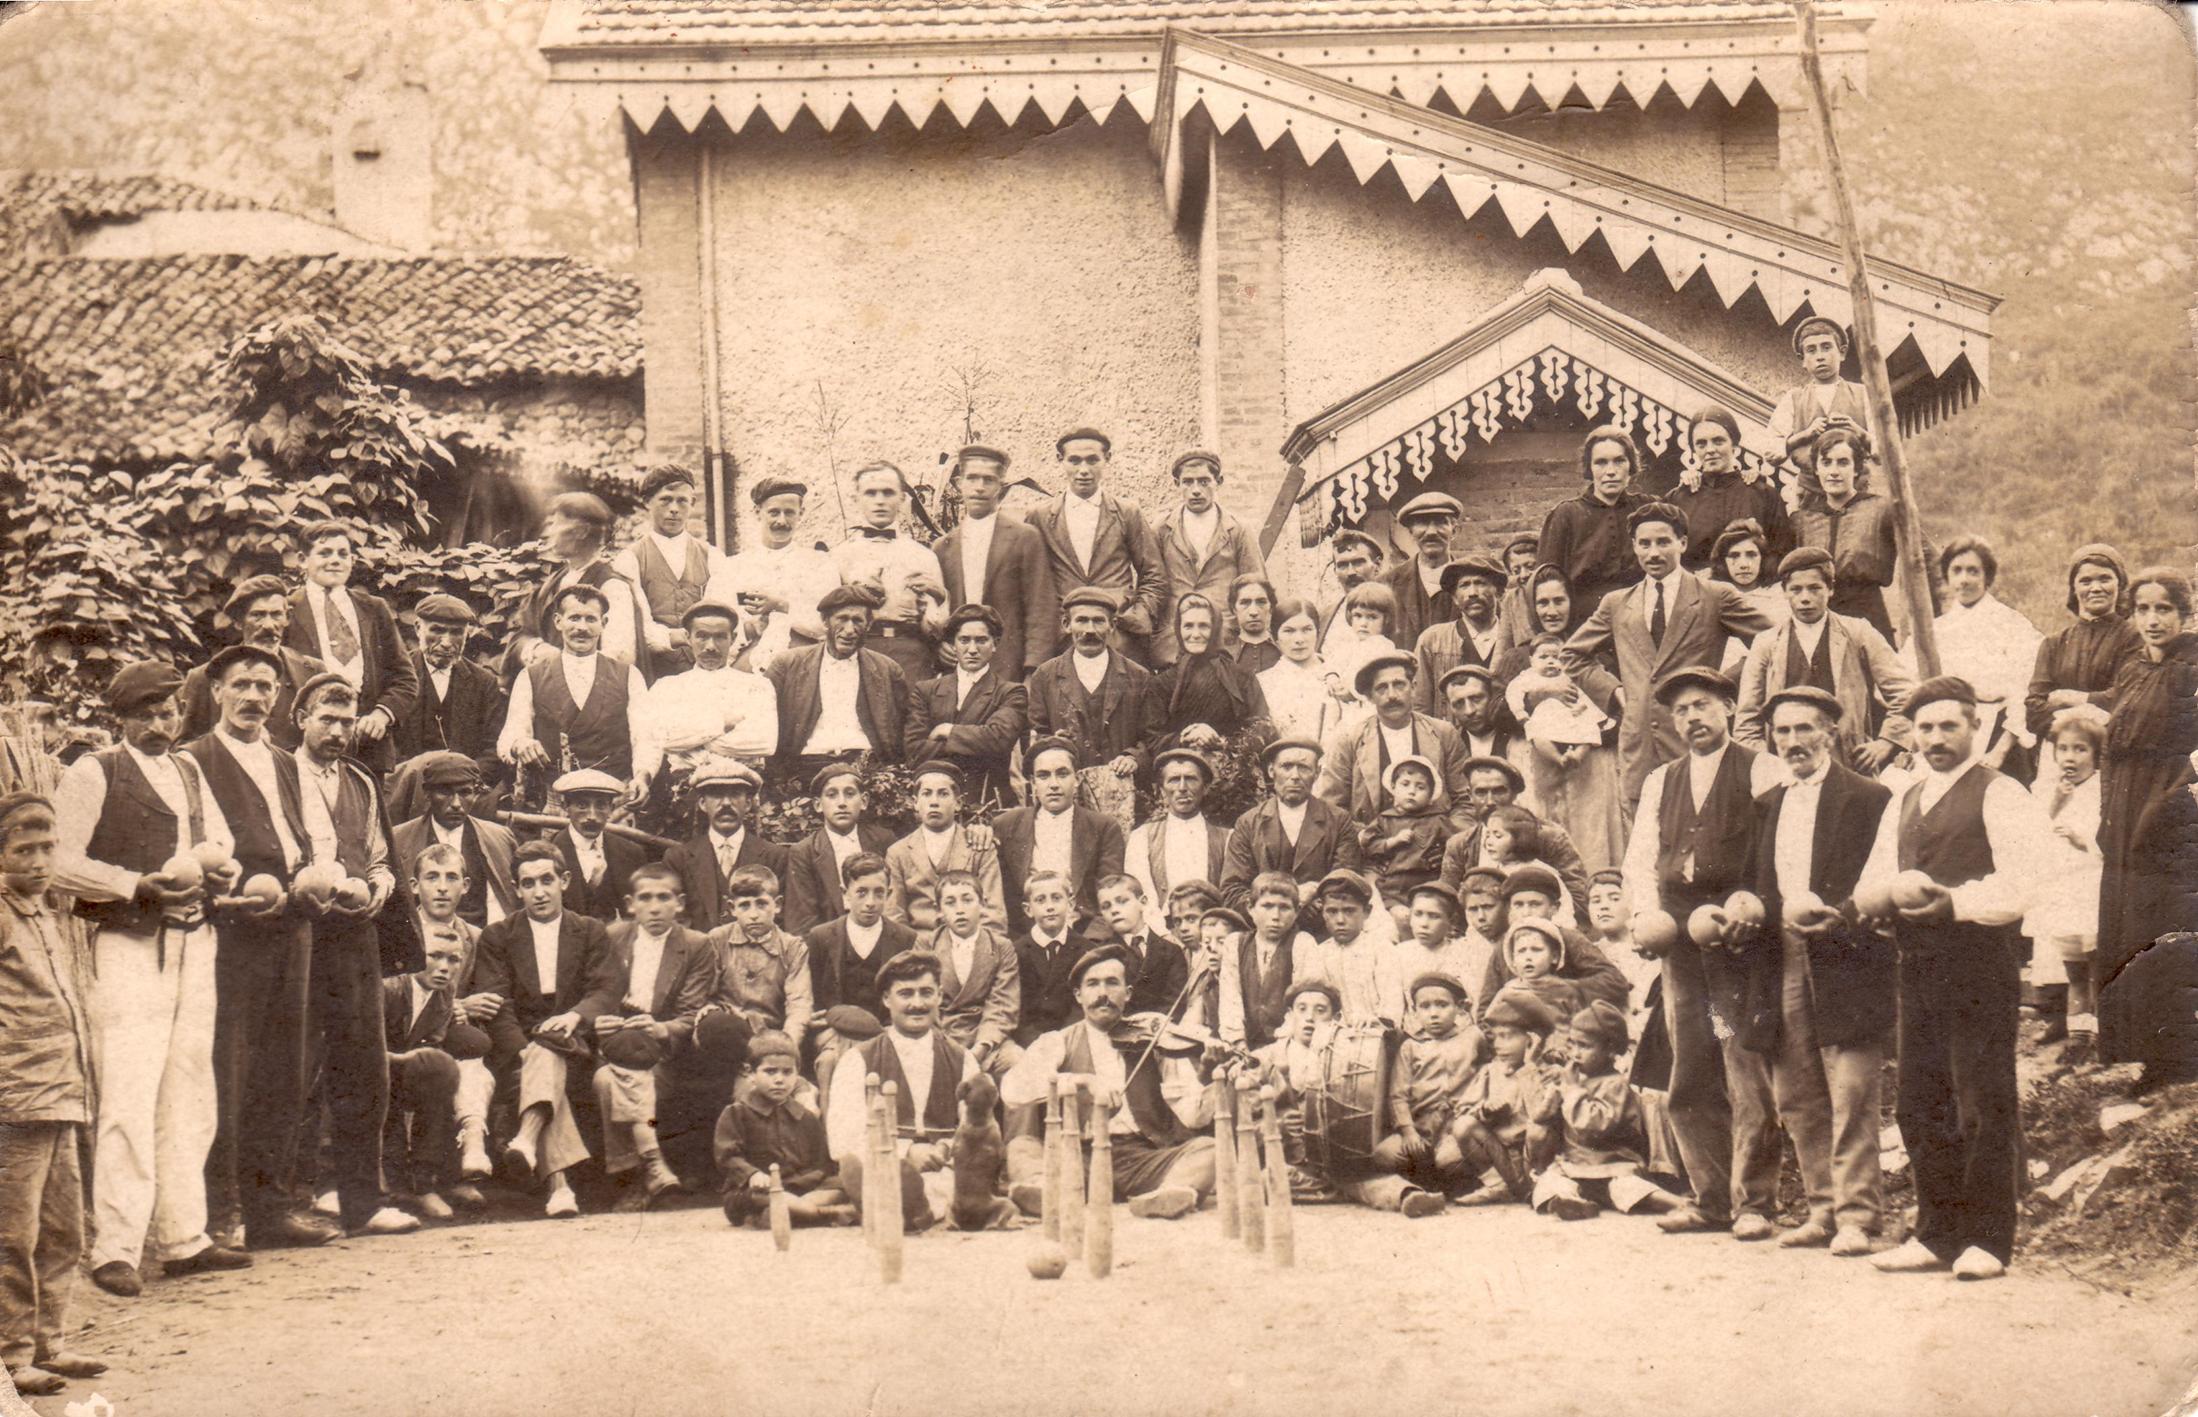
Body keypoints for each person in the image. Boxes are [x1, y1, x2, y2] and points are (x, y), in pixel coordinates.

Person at [51, 664, 246, 1296]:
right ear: (122, 718)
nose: (161, 725)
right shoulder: (95, 771)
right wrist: (133, 885)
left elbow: (219, 841)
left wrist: (224, 873)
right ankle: (116, 1247)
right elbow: (58, 863)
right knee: (130, 1093)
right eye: (147, 714)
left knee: (191, 1092)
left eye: (169, 713)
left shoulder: (189, 768)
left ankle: (184, 1236)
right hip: (131, 947)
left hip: (197, 944)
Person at [1854, 677, 2053, 1280]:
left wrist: (1953, 903)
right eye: (1925, 728)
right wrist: (1878, 904)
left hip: (1980, 964)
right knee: (1920, 1099)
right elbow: (1874, 877)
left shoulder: (2002, 792)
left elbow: (2024, 883)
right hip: (1918, 966)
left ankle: (1988, 1240)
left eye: (1948, 726)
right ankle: (1936, 1231)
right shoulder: (1904, 798)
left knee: (1982, 1099)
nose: (1936, 738)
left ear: (1976, 728)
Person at [187, 645, 345, 1253]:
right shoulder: (192, 761)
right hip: (232, 929)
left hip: (293, 925)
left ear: (278, 697)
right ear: (218, 691)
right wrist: (233, 891)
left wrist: (317, 876)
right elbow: (191, 845)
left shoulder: (287, 762)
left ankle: (270, 1205)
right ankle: (219, 1213)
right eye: (242, 685)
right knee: (229, 1066)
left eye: (265, 687)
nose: (254, 697)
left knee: (286, 1065)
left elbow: (320, 837)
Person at [1618, 666, 1783, 1240]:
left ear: (1729, 709)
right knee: (1690, 1065)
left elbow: (1777, 850)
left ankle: (1755, 1200)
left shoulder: (1761, 768)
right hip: (1680, 942)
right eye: (1682, 710)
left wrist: (1756, 909)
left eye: (1703, 706)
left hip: (1738, 940)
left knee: (1744, 1067)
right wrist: (1643, 916)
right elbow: (1640, 858)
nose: (1693, 718)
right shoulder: (1664, 779)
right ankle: (1709, 1197)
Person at [1737, 685, 1895, 1256]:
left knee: (1852, 1090)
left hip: (1848, 952)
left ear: (1832, 731)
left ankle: (1859, 1216)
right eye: (1783, 731)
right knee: (1797, 1088)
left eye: (1806, 728)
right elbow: (1758, 883)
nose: (1794, 741)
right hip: (1781, 952)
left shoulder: (1869, 798)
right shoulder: (1768, 803)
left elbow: (1883, 880)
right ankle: (1822, 1208)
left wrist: (1844, 919)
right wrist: (1746, 906)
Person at [291, 676, 418, 1239]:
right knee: (292, 1066)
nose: (339, 731)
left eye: (347, 721)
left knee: (364, 1064)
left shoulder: (361, 780)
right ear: (302, 718)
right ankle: (288, 1199)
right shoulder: (278, 773)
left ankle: (362, 1200)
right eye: (327, 718)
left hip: (353, 936)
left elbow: (380, 858)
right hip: (294, 932)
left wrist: (379, 886)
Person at [1565, 499, 1773, 811]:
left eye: (1663, 542)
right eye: (1645, 544)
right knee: (1647, 845)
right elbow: (1573, 655)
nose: (1654, 553)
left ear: (1682, 543)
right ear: (1634, 546)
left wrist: (1718, 685)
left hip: (1698, 741)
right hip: (1640, 748)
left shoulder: (1715, 596)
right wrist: (1617, 694)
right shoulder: (1617, 603)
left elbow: (1773, 643)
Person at [0, 793, 107, 1395]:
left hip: (64, 1091)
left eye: (48, 848)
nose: (40, 861)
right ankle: (12, 1354)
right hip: (15, 1098)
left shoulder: (48, 915)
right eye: (24, 850)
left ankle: (50, 1339)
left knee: (63, 1227)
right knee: (12, 1233)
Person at [1000, 944, 1216, 1218]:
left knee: (1207, 1149)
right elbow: (1013, 1089)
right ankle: (1046, 1191)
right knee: (1022, 1147)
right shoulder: (1058, 1041)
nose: (1103, 993)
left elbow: (1193, 1115)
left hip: (1142, 1158)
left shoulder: (1153, 1041)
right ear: (1079, 995)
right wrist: (1082, 1081)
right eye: (1092, 984)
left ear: (1127, 994)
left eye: (1112, 983)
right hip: (1079, 1156)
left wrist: (1211, 1076)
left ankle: (1168, 1194)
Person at [472, 841, 622, 1218]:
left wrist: (575, 1017)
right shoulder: (498, 936)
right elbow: (496, 1003)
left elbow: (606, 989)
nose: (538, 892)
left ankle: (528, 1140)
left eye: (546, 880)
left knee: (551, 1054)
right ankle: (560, 1187)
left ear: (564, 881)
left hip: (578, 1046)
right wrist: (527, 1052)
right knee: (545, 1062)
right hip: (519, 1051)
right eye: (528, 883)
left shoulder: (589, 931)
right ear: (517, 888)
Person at [2094, 567, 2198, 1091]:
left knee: (2166, 929)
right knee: (2127, 930)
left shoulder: (2194, 669)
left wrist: (2169, 809)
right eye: (2143, 610)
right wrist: (2107, 812)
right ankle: (2141, 1053)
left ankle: (2178, 1060)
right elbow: (2114, 745)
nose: (2153, 620)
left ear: (2185, 613)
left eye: (2164, 609)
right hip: (2126, 811)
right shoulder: (2132, 667)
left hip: (2174, 816)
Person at [1245, 981, 1446, 1218]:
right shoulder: (1266, 1059)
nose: (1310, 1018)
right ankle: (1344, 1190)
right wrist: (1276, 1127)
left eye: (1321, 1011)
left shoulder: (1348, 1053)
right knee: (1266, 1178)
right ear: (1289, 1016)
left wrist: (1378, 1025)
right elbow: (1245, 1122)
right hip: (1293, 1160)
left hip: (1337, 1156)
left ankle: (1409, 1196)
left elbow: (1394, 1049)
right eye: (1302, 1009)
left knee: (1353, 1175)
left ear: (1335, 1017)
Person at [825, 950, 987, 1231]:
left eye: (926, 993)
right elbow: (842, 1139)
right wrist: (906, 1152)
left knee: (953, 1184)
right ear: (887, 999)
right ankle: (904, 1205)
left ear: (939, 996)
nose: (917, 1004)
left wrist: (945, 1149)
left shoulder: (963, 1059)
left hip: (944, 1168)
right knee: (859, 1166)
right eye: (906, 993)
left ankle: (910, 1210)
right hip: (886, 1162)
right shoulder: (858, 1060)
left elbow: (976, 1129)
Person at [590, 863, 717, 1212]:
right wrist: (600, 1022)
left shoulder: (695, 945)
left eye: (664, 898)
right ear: (630, 904)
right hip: (617, 1044)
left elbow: (691, 1013)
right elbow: (597, 993)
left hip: (664, 1052)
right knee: (608, 1076)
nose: (655, 907)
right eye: (645, 898)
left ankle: (639, 1176)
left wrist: (661, 1029)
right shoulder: (612, 937)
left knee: (611, 1081)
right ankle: (648, 1170)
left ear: (680, 903)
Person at [1734, 547, 1916, 774]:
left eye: (1814, 588)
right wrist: (1766, 763)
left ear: (1830, 589)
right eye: (1796, 590)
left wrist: (1887, 742)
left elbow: (1906, 693)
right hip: (1786, 769)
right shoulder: (1767, 643)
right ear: (1784, 592)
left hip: (1848, 767)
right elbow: (1747, 719)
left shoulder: (1858, 632)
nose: (1805, 598)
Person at [283, 522, 418, 774]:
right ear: (302, 559)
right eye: (325, 553)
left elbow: (405, 677)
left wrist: (382, 715)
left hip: (367, 749)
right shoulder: (287, 609)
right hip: (303, 747)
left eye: (342, 554)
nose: (335, 560)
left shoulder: (374, 609)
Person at [1528, 1001, 1682, 1222]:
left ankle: (1675, 1203)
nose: (1575, 1054)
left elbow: (1594, 1125)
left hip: (1614, 1166)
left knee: (1627, 1188)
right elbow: (1539, 1118)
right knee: (1550, 1183)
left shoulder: (1615, 1084)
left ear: (1610, 1051)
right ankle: (1572, 1203)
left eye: (1585, 1046)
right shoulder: (1574, 1080)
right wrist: (1554, 1092)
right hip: (1574, 1167)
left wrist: (1571, 1090)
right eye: (1572, 1045)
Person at [404, 844, 500, 1194]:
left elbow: (488, 997)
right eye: (432, 877)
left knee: (472, 1064)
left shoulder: (476, 938)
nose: (442, 887)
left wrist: (468, 1004)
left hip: (455, 1038)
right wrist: (451, 1004)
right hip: (404, 1034)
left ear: (466, 886)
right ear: (415, 886)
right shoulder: (398, 932)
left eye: (451, 878)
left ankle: (463, 1167)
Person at [381, 921, 490, 1223]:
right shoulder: (389, 986)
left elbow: (435, 1041)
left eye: (453, 959)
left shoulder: (445, 993)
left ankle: (423, 1182)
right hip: (369, 1070)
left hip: (403, 1070)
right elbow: (358, 1046)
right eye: (435, 956)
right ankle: (388, 1184)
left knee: (443, 1076)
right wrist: (405, 1060)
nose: (444, 967)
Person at [1026, 428, 1166, 662]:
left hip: (1120, 637)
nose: (1083, 470)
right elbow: (1031, 581)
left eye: (1093, 460)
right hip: (1063, 639)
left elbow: (1154, 574)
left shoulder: (1127, 513)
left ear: (1107, 459)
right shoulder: (1039, 516)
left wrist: (1139, 615)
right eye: (1074, 461)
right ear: (1060, 461)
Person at [498, 583, 649, 796]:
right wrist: (519, 743)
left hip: (612, 797)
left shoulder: (629, 675)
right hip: (554, 797)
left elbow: (644, 736)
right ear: (558, 622)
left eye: (591, 619)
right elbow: (512, 731)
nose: (582, 628)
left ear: (604, 623)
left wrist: (642, 776)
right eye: (574, 618)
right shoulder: (531, 675)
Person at [934, 445, 1057, 677]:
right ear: (959, 483)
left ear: (1001, 485)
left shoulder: (1024, 537)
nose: (979, 487)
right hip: (959, 669)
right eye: (972, 478)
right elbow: (936, 611)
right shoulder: (943, 547)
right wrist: (940, 645)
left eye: (988, 480)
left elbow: (1041, 609)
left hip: (1009, 667)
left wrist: (1033, 672)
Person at [767, 583, 910, 781]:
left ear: (868, 625)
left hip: (865, 767)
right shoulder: (787, 665)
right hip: (805, 767)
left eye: (858, 621)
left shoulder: (888, 670)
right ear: (825, 621)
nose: (849, 629)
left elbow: (901, 731)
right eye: (842, 619)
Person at [1316, 652, 1473, 832]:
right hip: (1371, 851)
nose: (1392, 695)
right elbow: (1331, 808)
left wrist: (1447, 836)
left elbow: (1465, 801)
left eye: (1399, 685)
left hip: (1435, 850)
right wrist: (1368, 839)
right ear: (1369, 696)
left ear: (1413, 688)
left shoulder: (1443, 733)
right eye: (1381, 688)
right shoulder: (1349, 740)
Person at [632, 599, 780, 789]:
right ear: (688, 637)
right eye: (702, 636)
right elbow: (661, 740)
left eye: (720, 637)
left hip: (745, 789)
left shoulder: (757, 686)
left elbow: (764, 743)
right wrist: (721, 725)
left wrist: (694, 742)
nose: (710, 646)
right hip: (685, 790)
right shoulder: (667, 687)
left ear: (733, 638)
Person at [609, 464, 737, 679]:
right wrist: (672, 638)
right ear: (647, 502)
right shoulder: (629, 559)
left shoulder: (713, 557)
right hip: (653, 670)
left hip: (705, 669)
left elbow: (724, 614)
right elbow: (637, 626)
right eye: (666, 499)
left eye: (682, 501)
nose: (674, 508)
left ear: (693, 504)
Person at [2028, 708, 2105, 1057]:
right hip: (2059, 888)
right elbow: (2030, 833)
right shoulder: (2047, 788)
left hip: (2090, 886)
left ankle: (2101, 1033)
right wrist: (2056, 801)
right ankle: (2075, 1035)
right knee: (2068, 965)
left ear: (2095, 754)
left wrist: (2082, 839)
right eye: (2063, 749)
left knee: (2095, 965)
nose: (2070, 757)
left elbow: (2107, 835)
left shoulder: (2102, 789)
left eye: (2080, 749)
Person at [714, 1030, 851, 1228]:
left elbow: (820, 1163)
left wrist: (814, 1178)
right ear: (750, 1073)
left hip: (800, 1190)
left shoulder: (805, 1116)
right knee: (765, 1196)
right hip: (757, 1190)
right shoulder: (737, 1113)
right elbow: (727, 1157)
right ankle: (823, 1214)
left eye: (787, 1072)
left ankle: (790, 1213)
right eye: (770, 1071)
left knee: (840, 1185)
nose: (779, 1080)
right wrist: (752, 1174)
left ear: (797, 1074)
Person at [1026, 586, 1164, 781]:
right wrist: (1054, 745)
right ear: (1066, 624)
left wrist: (1133, 757)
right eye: (1081, 620)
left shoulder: (1138, 676)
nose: (1089, 630)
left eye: (1098, 621)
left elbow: (1152, 738)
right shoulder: (1045, 676)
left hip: (1122, 788)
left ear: (1113, 625)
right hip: (1069, 789)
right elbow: (1038, 735)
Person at [806, 852, 916, 1096]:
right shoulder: (821, 937)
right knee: (830, 1063)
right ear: (845, 894)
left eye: (879, 893)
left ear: (889, 895)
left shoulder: (904, 939)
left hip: (886, 1031)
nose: (870, 902)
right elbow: (812, 994)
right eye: (861, 892)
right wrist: (817, 1020)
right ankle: (830, 1131)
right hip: (835, 1032)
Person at [831, 461, 951, 685]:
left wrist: (936, 599)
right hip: (859, 653)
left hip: (911, 656)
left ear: (903, 499)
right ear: (856, 499)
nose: (880, 501)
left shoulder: (923, 556)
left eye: (888, 493)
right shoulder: (839, 556)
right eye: (871, 493)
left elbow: (936, 623)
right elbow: (828, 621)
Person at [994, 738, 1125, 940]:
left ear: (1077, 780)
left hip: (1085, 937)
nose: (1053, 784)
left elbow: (1110, 897)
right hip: (1025, 941)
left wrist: (1090, 944)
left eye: (1062, 774)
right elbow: (1001, 899)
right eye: (1044, 776)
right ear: (1033, 783)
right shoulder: (1006, 825)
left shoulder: (1103, 827)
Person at [1934, 536, 2044, 778]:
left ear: (1987, 577)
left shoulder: (2011, 623)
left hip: (2000, 735)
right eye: (1957, 571)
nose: (1964, 579)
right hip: (1947, 734)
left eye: (1973, 571)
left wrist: (2001, 750)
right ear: (1947, 576)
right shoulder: (1936, 629)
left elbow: (2026, 689)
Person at [1372, 973, 1486, 1205]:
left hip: (1457, 1126)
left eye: (1442, 1005)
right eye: (1425, 1007)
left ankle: (1446, 1180)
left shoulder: (1473, 1038)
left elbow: (1488, 1075)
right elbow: (1398, 1095)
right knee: (1383, 1154)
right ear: (1415, 1012)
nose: (1433, 1013)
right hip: (1422, 1127)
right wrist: (1408, 1131)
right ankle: (1426, 1184)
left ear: (1459, 1008)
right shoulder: (1411, 1046)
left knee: (1449, 1161)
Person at [179, 576, 326, 752]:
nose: (268, 625)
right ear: (238, 623)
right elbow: (183, 748)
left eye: (276, 614)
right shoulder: (203, 677)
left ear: (287, 618)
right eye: (258, 615)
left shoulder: (313, 671)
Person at [507, 491, 645, 678]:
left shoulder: (612, 586)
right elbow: (521, 633)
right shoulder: (554, 581)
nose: (547, 533)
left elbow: (620, 659)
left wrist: (563, 663)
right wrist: (539, 650)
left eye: (554, 524)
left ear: (582, 531)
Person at [905, 604, 1029, 808]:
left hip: (987, 801)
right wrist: (974, 744)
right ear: (953, 644)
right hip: (937, 803)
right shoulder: (926, 691)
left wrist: (948, 730)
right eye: (964, 640)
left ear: (995, 644)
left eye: (981, 640)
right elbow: (914, 751)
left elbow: (998, 739)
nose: (972, 649)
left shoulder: (1010, 692)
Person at [1152, 451, 1267, 665]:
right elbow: (1150, 584)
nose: (1196, 490)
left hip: (1224, 642)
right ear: (1177, 483)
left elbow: (1255, 587)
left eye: (1204, 481)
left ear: (1218, 482)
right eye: (1188, 482)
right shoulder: (1161, 529)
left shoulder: (1238, 530)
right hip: (1173, 643)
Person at [1220, 739, 1361, 913]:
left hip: (1320, 929)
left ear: (1317, 773)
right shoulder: (1248, 823)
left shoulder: (1339, 820)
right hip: (1263, 929)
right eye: (1286, 767)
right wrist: (1279, 908)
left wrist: (1315, 895)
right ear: (1272, 771)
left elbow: (1346, 882)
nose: (1295, 776)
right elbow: (1232, 890)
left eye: (1304, 768)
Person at [716, 475, 841, 672]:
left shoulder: (820, 564)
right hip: (747, 668)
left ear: (801, 513)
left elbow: (831, 623)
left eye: (789, 513)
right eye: (774, 512)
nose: (781, 521)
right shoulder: (732, 567)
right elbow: (715, 622)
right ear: (758, 512)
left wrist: (782, 606)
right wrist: (749, 628)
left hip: (805, 667)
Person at [2025, 543, 2142, 748]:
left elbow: (2130, 698)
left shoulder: (2135, 638)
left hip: (2115, 751)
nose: (2095, 588)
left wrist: (2071, 698)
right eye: (2085, 581)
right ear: (2074, 588)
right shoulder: (2054, 644)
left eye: (2105, 578)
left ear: (2120, 584)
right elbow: (2034, 712)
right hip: (2061, 753)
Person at [1789, 427, 1901, 641]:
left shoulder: (1881, 510)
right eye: (1826, 462)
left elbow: (1921, 556)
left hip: (1867, 613)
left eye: (1843, 462)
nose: (1833, 471)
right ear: (1816, 469)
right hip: (1817, 615)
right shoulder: (1802, 520)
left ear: (1857, 469)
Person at [1452, 989, 1558, 1205]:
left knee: (1539, 1131)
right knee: (1463, 1125)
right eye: (1496, 1037)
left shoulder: (1548, 1072)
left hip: (1536, 1158)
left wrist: (1528, 1069)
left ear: (1532, 1041)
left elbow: (1542, 1116)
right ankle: (1498, 1186)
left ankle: (1539, 1188)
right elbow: (1461, 1109)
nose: (1499, 1045)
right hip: (1502, 1156)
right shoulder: (1492, 1071)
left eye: (1507, 1037)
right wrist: (1485, 1111)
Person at [391, 752, 517, 930]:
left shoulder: (500, 838)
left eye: (465, 792)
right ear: (427, 794)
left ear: (476, 793)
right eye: (445, 793)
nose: (456, 803)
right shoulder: (398, 840)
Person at [663, 758, 788, 934]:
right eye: (716, 794)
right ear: (702, 804)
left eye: (735, 794)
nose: (726, 803)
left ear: (748, 804)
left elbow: (781, 920)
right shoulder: (678, 858)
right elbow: (676, 920)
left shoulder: (775, 856)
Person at [886, 765, 1006, 935]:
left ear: (958, 803)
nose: (934, 802)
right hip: (919, 950)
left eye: (943, 794)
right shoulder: (898, 852)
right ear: (915, 803)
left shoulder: (979, 847)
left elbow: (993, 915)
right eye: (926, 793)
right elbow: (894, 917)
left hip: (969, 946)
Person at [394, 594, 506, 776]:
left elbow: (494, 746)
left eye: (456, 633)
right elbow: (385, 743)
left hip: (464, 787)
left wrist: (462, 781)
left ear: (467, 633)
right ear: (417, 628)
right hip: (407, 786)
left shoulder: (484, 683)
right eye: (437, 631)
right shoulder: (395, 676)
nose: (446, 643)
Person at [1670, 406, 1791, 575]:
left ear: (1734, 444)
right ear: (1694, 449)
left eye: (1718, 441)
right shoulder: (1680, 498)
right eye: (1701, 443)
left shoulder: (1762, 494)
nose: (1710, 450)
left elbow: (1782, 552)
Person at [1537, 427, 1647, 612]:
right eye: (1601, 462)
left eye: (1619, 461)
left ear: (1631, 465)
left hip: (1640, 614)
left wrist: (1691, 478)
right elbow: (1546, 581)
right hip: (1586, 622)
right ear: (1590, 468)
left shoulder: (1646, 508)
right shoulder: (1566, 514)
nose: (1611, 471)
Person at [781, 765, 895, 937]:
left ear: (863, 801)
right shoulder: (805, 852)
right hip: (829, 947)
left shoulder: (883, 841)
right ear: (818, 805)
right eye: (832, 795)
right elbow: (802, 922)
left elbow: (893, 905)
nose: (842, 803)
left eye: (849, 794)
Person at [926, 870, 1021, 1075]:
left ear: (983, 904)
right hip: (942, 1034)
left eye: (967, 900)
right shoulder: (927, 944)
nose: (960, 910)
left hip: (985, 1037)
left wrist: (981, 1048)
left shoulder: (1001, 947)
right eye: (950, 902)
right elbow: (925, 1001)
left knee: (1016, 1061)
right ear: (939, 910)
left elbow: (1002, 1004)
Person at [1153, 593, 1272, 753]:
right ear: (1178, 629)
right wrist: (1184, 739)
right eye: (1188, 626)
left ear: (1215, 627)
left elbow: (1263, 730)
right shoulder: (1163, 682)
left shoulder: (1241, 677)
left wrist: (1222, 742)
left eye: (1203, 626)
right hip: (1180, 767)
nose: (1195, 634)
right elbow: (1151, 737)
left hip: (1230, 767)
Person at [710, 866, 814, 1043]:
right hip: (726, 1033)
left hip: (771, 1034)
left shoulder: (793, 947)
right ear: (731, 908)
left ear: (778, 905)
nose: (753, 915)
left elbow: (799, 1004)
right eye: (744, 905)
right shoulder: (717, 940)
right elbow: (704, 995)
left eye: (761, 904)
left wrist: (787, 1044)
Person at [1765, 316, 1868, 490]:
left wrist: (1856, 430)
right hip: (1809, 495)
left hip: (1857, 493)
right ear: (1802, 359)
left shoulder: (1862, 394)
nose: (1820, 356)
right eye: (1811, 350)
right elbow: (1771, 453)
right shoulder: (1794, 399)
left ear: (1842, 352)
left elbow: (1884, 451)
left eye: (1826, 348)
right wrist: (1804, 435)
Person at [1214, 871, 1313, 1049]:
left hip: (1289, 1045)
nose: (1275, 916)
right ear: (1250, 908)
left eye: (1284, 907)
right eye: (1267, 906)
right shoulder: (1235, 944)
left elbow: (1304, 1004)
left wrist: (1281, 1045)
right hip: (1245, 1046)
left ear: (1297, 911)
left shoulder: (1302, 943)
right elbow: (1230, 1000)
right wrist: (1238, 1042)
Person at [1126, 748, 1232, 910]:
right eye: (1174, 780)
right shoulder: (1141, 837)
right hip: (1162, 929)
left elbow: (1229, 894)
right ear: (1161, 790)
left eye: (1191, 779)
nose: (1182, 787)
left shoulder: (1227, 839)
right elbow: (1142, 897)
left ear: (1205, 788)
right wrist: (1162, 933)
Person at [1297, 868, 1401, 1026]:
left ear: (1366, 912)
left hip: (1374, 1035)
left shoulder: (1381, 950)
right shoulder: (1319, 953)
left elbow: (1391, 1006)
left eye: (1349, 911)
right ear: (1323, 913)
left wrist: (1378, 1024)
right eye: (1332, 911)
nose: (1340, 920)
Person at [1411, 556, 1508, 714]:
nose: (1472, 593)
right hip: (1451, 736)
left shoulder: (1513, 638)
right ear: (1455, 598)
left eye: (1480, 583)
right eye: (1464, 585)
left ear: (1499, 592)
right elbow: (1420, 705)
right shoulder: (1432, 639)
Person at [548, 769, 647, 924]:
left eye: (600, 805)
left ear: (611, 809)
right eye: (582, 805)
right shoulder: (548, 855)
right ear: (565, 806)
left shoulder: (632, 853)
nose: (592, 816)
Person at [1360, 757, 1448, 923]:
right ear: (1393, 788)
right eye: (1405, 784)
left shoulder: (1437, 820)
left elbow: (1455, 846)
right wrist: (1391, 842)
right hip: (1392, 886)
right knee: (1395, 920)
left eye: (1420, 787)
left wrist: (1442, 856)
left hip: (1427, 882)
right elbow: (1369, 845)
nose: (1412, 791)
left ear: (1430, 795)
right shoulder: (1385, 819)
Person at [1094, 874, 1191, 1017]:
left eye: (1122, 901)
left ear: (1143, 902)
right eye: (1106, 906)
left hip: (1160, 1031)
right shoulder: (1100, 954)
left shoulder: (1171, 951)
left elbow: (1175, 1001)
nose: (1114, 910)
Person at [1391, 882, 1488, 1020]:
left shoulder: (1463, 952)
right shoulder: (1399, 954)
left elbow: (1475, 1000)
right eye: (1418, 914)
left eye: (1434, 916)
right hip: (1414, 1030)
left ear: (1451, 921)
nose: (1424, 923)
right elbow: (1393, 1005)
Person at [1383, 491, 1464, 650]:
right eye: (1422, 523)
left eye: (1441, 522)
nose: (1431, 532)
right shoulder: (1387, 585)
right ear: (1411, 532)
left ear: (1455, 531)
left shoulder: (1473, 581)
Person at [1258, 599, 1342, 745]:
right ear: (1274, 637)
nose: (1299, 639)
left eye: (1307, 629)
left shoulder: (1339, 675)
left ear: (1318, 632)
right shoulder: (1263, 682)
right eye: (1289, 631)